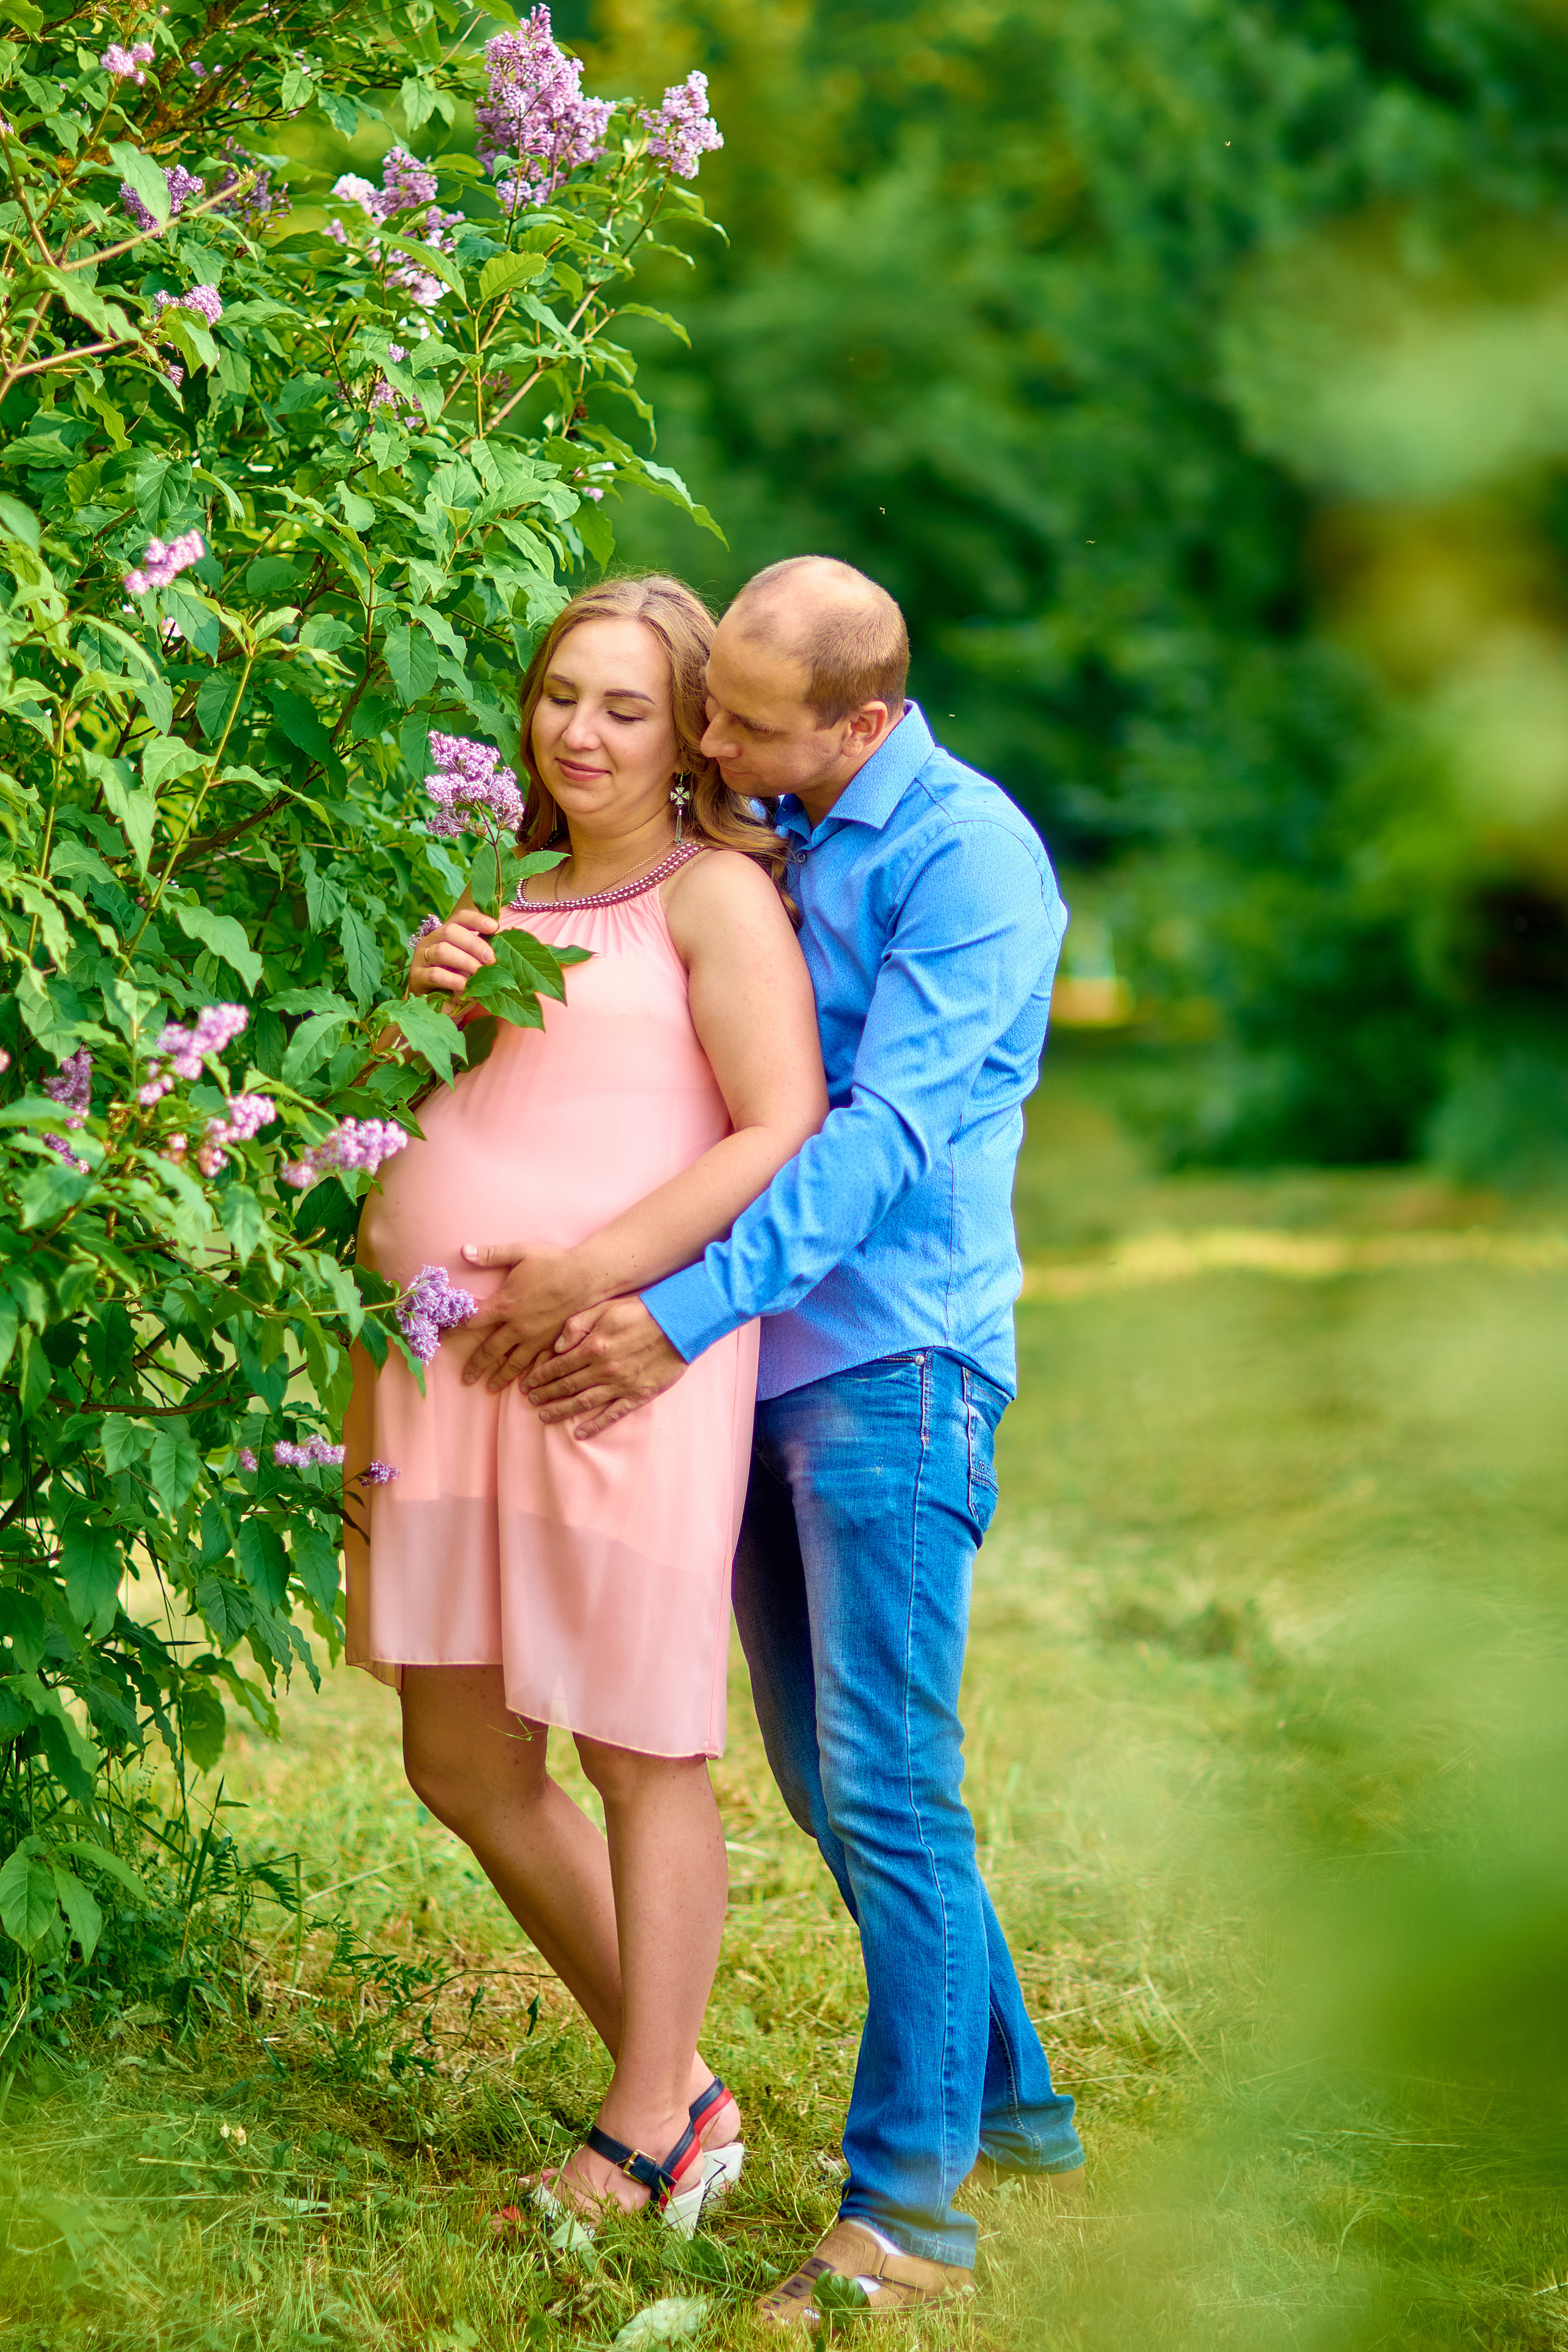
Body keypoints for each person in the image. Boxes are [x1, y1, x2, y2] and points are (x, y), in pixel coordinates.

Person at [466, 555, 1086, 2326]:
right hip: (756, 1368)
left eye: (736, 720)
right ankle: (1013, 2104)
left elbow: (873, 1135)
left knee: (888, 1784)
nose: (709, 744)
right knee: (829, 1781)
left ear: (863, 722)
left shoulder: (968, 860)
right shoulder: (781, 825)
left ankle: (910, 2223)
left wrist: (670, 1307)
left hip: (894, 1362)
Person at [341, 573, 828, 2234]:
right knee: (461, 1756)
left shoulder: (713, 899)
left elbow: (777, 1124)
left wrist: (594, 1273)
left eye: (625, 706)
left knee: (636, 1742)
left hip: (609, 1363)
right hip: (439, 1374)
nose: (580, 732)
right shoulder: (492, 895)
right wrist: (417, 1008)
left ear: (688, 732)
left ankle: (641, 2133)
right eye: (560, 694)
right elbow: (377, 1114)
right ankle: (682, 2090)